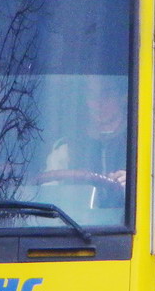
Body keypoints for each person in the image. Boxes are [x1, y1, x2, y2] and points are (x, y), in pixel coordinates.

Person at [41, 76, 128, 204]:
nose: (98, 102)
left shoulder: (141, 143)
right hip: (76, 222)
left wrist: (134, 183)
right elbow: (47, 193)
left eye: (106, 94)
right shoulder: (66, 147)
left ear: (123, 98)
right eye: (92, 95)